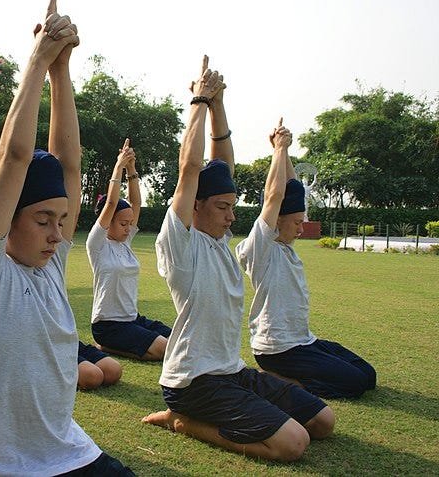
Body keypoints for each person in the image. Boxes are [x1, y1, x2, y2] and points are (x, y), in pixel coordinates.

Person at [0, 0, 134, 476]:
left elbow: (69, 165)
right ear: (7, 218)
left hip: (65, 451)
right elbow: (13, 159)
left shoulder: (50, 262)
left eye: (62, 220)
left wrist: (62, 71)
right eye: (42, 220)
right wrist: (36, 60)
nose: (58, 235)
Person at [142, 56, 335, 462]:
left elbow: (220, 165)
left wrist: (219, 104)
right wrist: (197, 101)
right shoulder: (182, 244)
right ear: (194, 207)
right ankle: (184, 421)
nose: (232, 216)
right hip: (193, 381)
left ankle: (208, 415)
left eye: (233, 206)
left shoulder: (217, 238)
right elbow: (191, 168)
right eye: (222, 207)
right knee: (293, 444)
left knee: (322, 421)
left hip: (231, 371)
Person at [235, 119, 376, 399]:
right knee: (355, 385)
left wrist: (285, 152)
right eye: (297, 222)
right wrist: (278, 149)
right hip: (278, 350)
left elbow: (289, 188)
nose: (301, 228)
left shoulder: (285, 247)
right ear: (276, 221)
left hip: (303, 341)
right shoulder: (261, 248)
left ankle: (292, 375)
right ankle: (279, 380)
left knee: (367, 374)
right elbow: (274, 196)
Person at [86, 139, 171, 361]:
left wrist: (131, 168)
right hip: (108, 325)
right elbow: (111, 204)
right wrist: (118, 166)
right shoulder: (97, 245)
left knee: (179, 341)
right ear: (108, 222)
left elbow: (135, 203)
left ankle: (114, 346)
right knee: (166, 350)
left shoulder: (125, 243)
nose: (128, 228)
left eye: (129, 223)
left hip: (132, 319)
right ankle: (107, 346)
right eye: (123, 224)